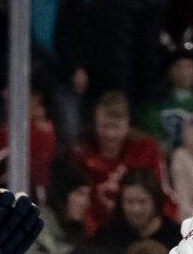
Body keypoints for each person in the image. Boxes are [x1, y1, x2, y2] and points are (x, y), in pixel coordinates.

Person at [70, 91, 169, 237]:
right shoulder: (81, 154)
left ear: (127, 124)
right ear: (95, 124)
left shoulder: (146, 149)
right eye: (105, 126)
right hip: (98, 235)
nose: (110, 134)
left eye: (115, 127)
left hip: (144, 231)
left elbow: (161, 192)